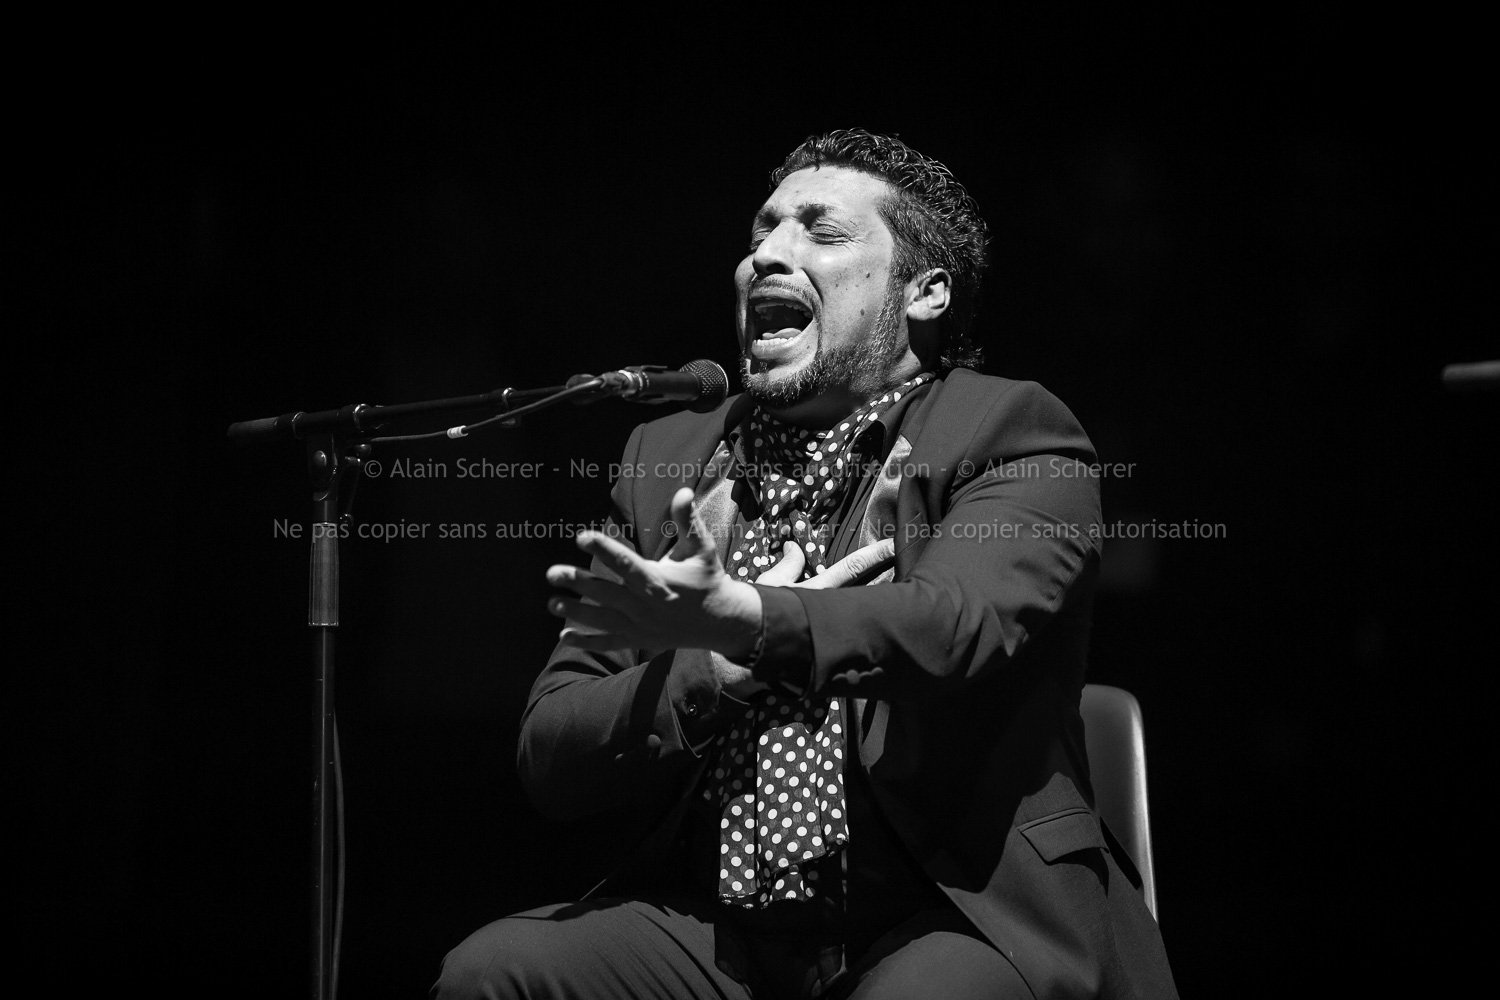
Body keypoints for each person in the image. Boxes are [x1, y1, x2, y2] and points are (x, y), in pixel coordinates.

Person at [432, 129, 1179, 999]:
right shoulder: (668, 461)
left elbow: (955, 627)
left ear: (925, 292)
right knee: (494, 973)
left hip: (950, 907)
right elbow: (551, 748)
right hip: (722, 928)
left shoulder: (1009, 431)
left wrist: (759, 621)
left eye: (821, 232)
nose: (767, 255)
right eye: (762, 230)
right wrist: (717, 669)